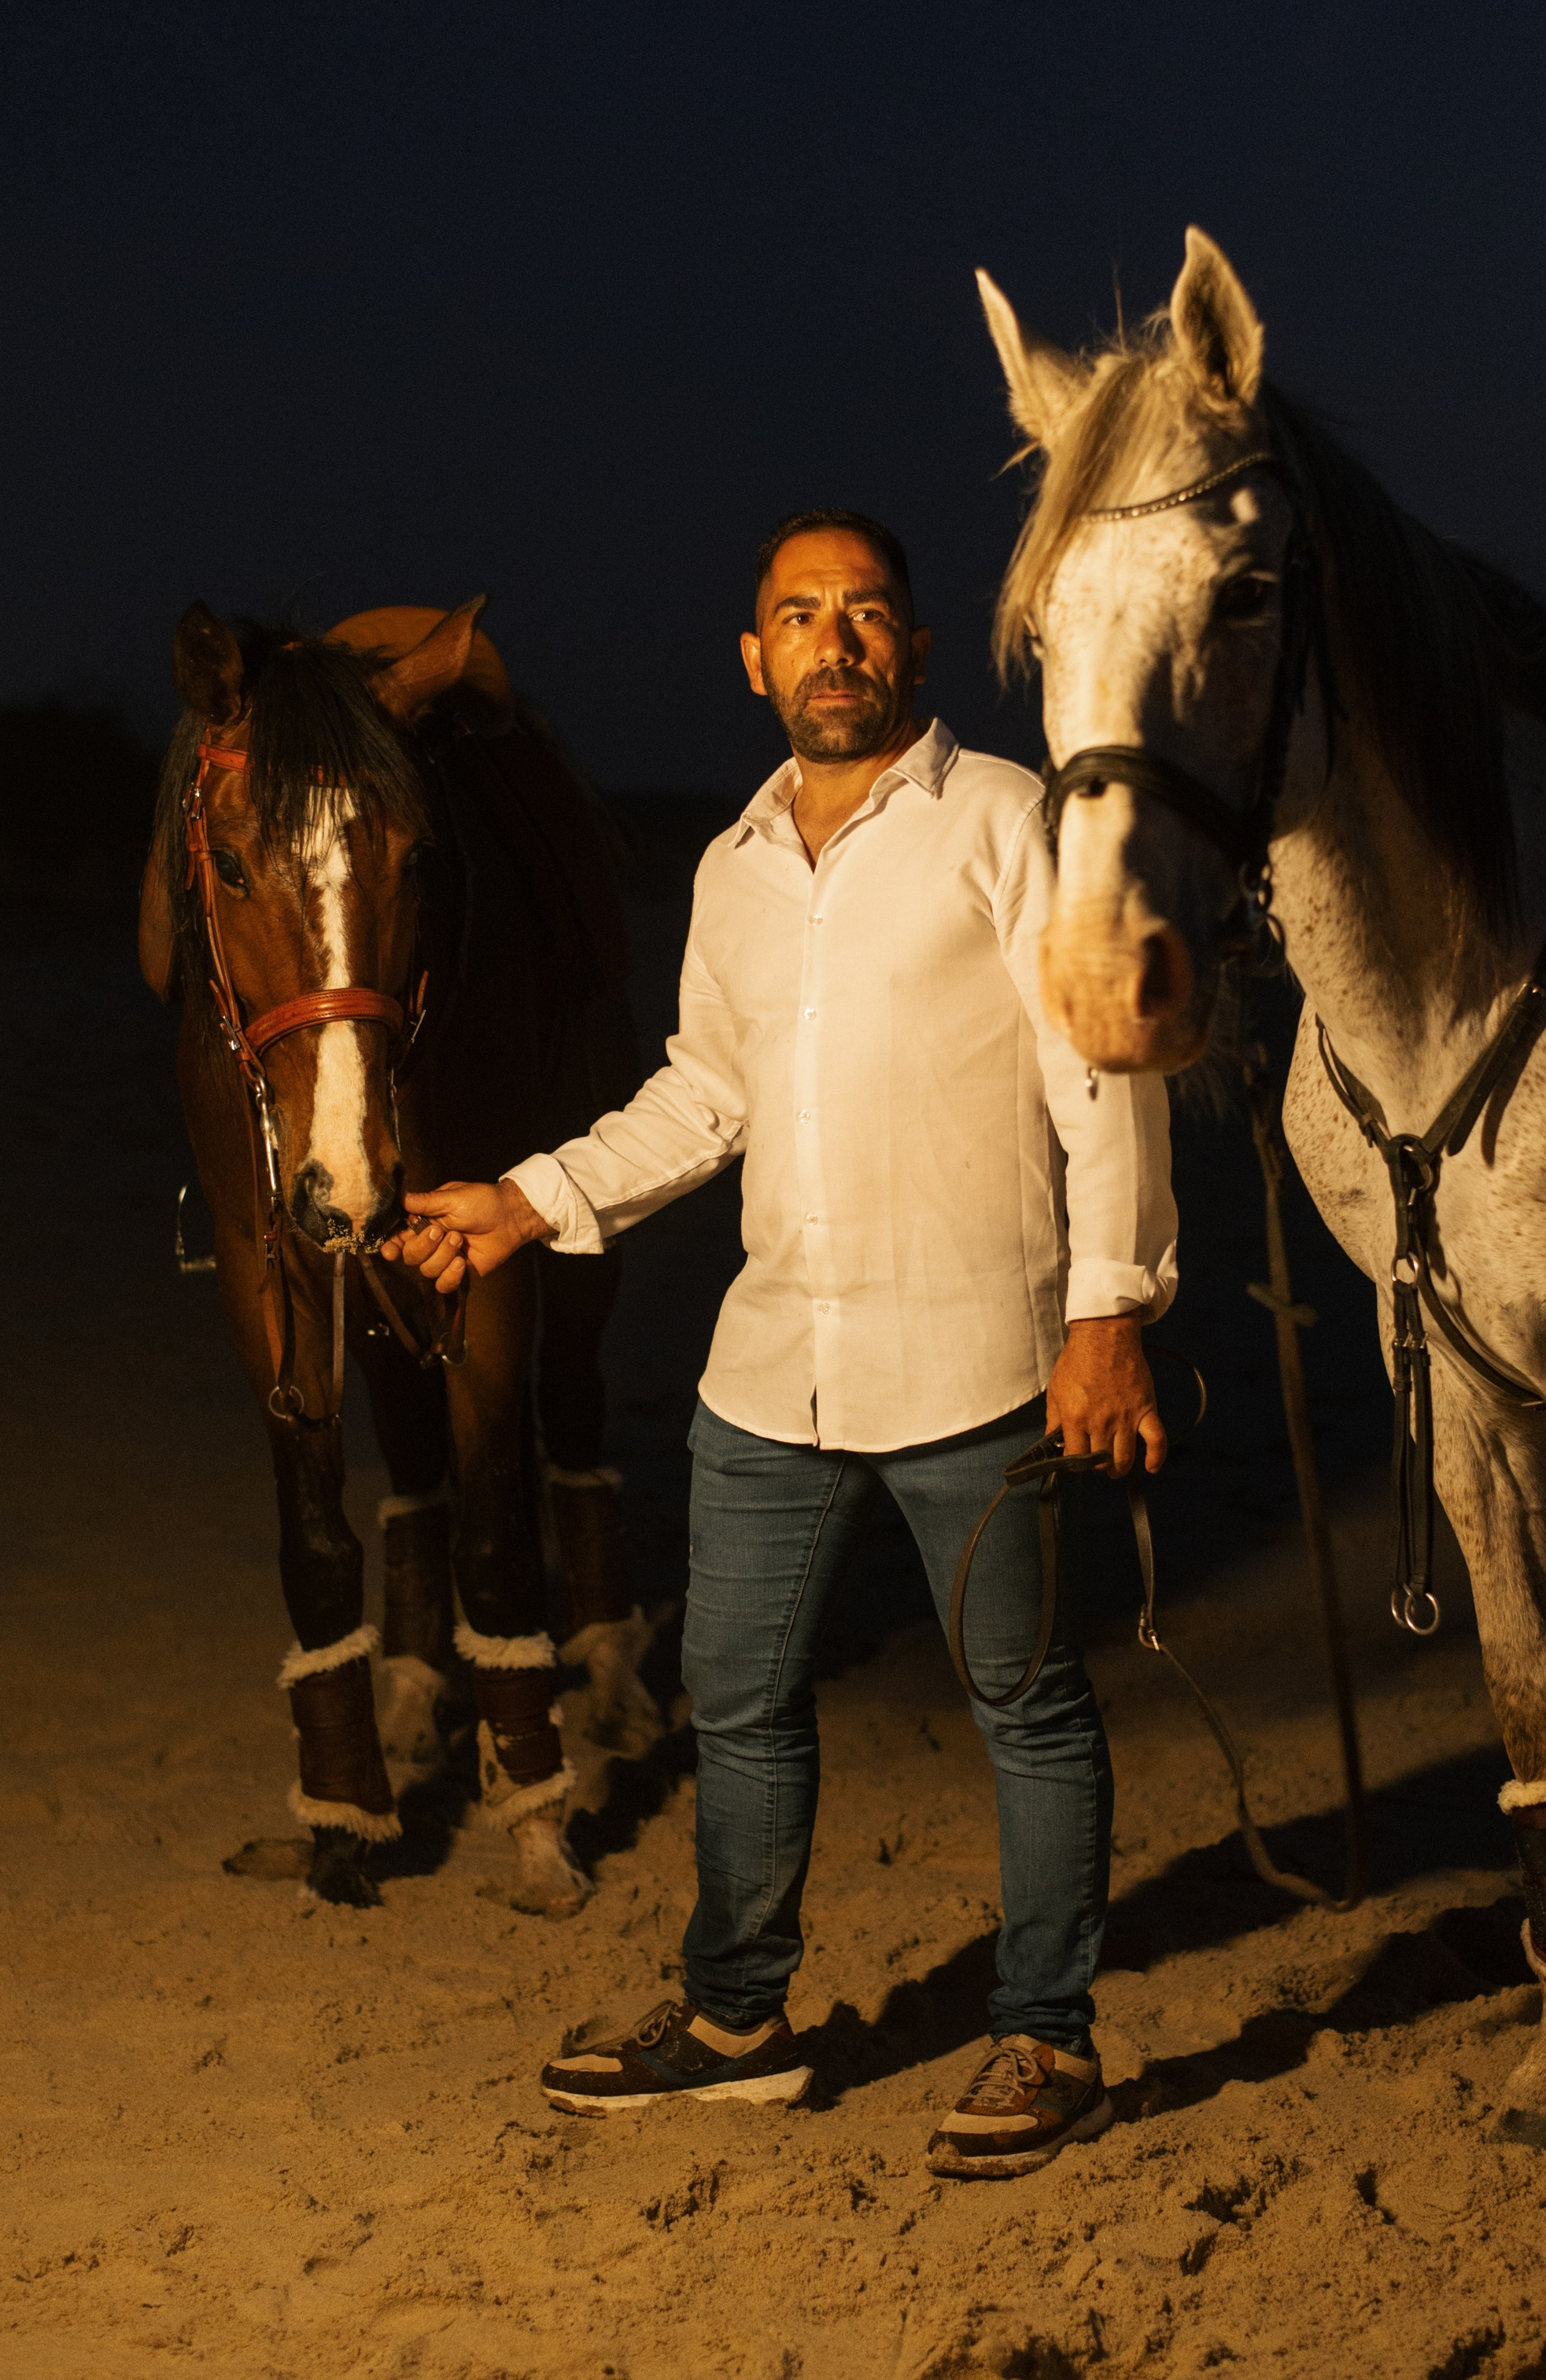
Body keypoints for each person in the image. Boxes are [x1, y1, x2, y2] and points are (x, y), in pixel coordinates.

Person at [382, 507, 1177, 2177]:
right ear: (755, 661)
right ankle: (737, 2021)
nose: (836, 640)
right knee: (738, 1700)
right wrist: (527, 1198)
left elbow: (1099, 1075)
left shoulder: (1007, 819)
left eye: (866, 611)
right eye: (801, 616)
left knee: (1025, 1705)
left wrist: (1108, 1313)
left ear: (916, 646)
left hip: (978, 1361)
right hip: (769, 1375)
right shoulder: (731, 865)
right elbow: (706, 1094)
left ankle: (1046, 2040)